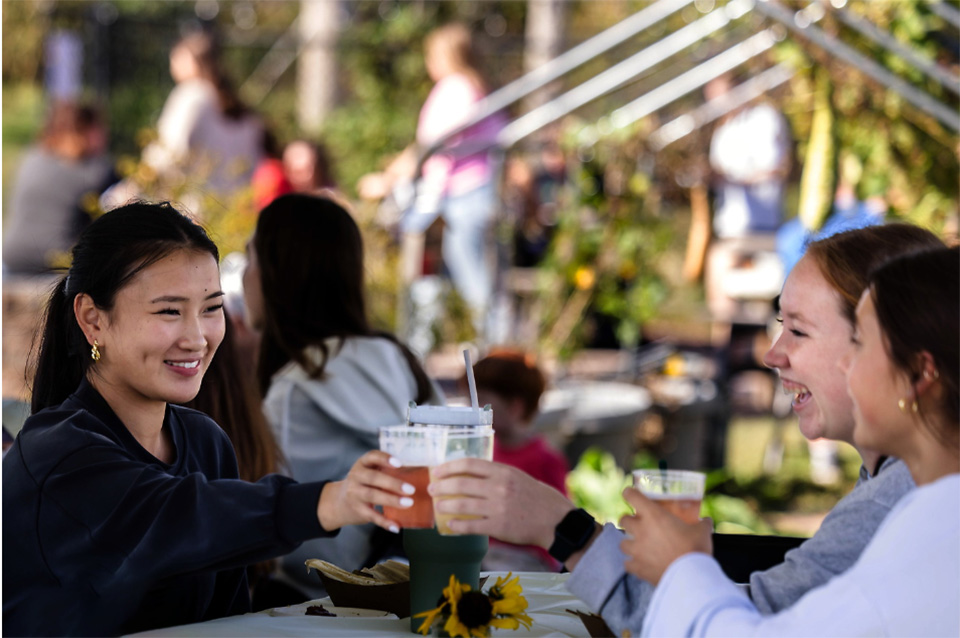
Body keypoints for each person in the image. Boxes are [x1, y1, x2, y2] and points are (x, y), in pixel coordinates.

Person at [428, 223, 945, 636]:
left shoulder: (907, 502)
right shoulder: (895, 486)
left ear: (918, 368)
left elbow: (732, 628)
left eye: (799, 329)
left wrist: (570, 533)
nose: (771, 353)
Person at [2, 201, 416, 637]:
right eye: (168, 311)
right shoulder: (57, 453)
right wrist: (329, 501)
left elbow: (226, 618)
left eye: (211, 308)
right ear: (92, 320)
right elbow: (179, 515)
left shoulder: (205, 441)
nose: (197, 338)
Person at [625, 246, 958, 636]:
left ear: (920, 374)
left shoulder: (934, 522)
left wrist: (682, 567)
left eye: (862, 344)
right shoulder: (927, 507)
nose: (846, 365)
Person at [242, 193, 444, 595]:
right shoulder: (401, 360)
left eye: (250, 259)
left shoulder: (292, 392)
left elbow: (276, 540)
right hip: (424, 591)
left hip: (319, 609)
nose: (244, 276)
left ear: (277, 273)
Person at [358, 23, 506, 336]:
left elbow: (432, 143)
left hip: (460, 196)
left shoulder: (458, 88)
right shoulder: (474, 88)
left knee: (468, 277)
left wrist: (386, 180)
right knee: (440, 276)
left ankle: (495, 346)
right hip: (455, 193)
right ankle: (437, 340)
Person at [469, 348, 567, 571]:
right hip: (484, 552)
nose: (471, 410)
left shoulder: (545, 460)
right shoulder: (487, 451)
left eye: (481, 403)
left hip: (526, 560)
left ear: (515, 407)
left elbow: (559, 524)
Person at [142, 31, 263, 196]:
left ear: (189, 60)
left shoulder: (192, 95)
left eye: (176, 58)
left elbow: (169, 152)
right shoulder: (241, 109)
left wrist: (140, 183)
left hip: (195, 208)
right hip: (236, 210)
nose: (172, 66)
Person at [3, 101, 116, 275]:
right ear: (86, 131)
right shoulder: (97, 173)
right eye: (99, 129)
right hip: (57, 262)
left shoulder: (30, 160)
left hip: (12, 258)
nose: (105, 135)